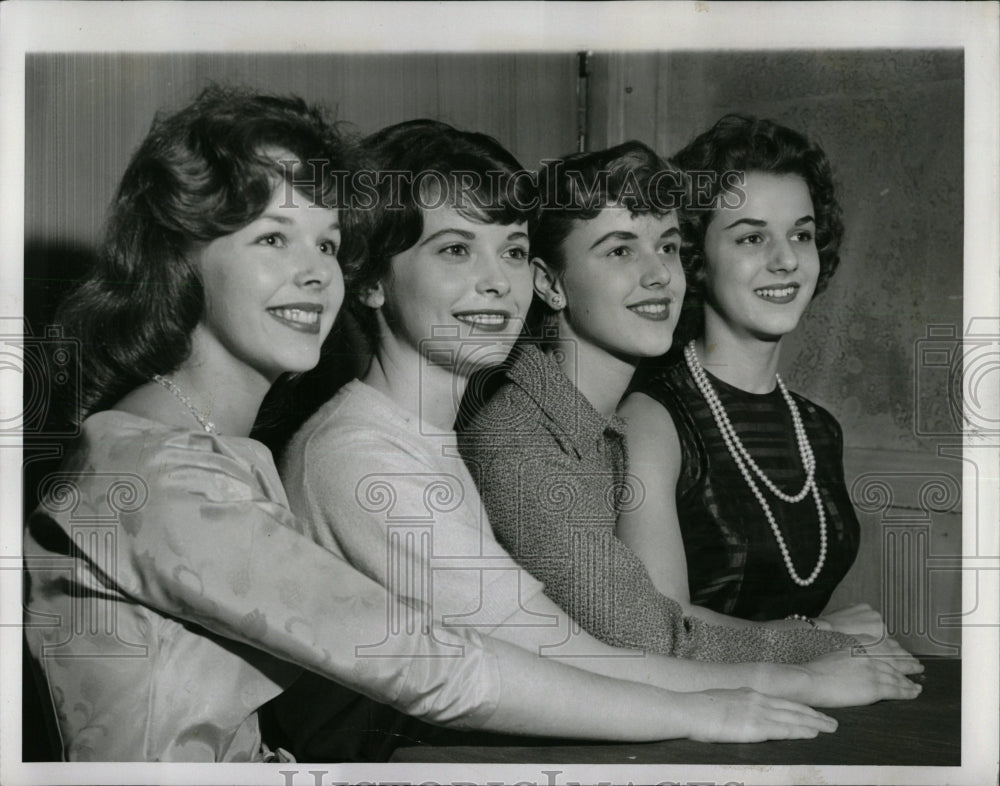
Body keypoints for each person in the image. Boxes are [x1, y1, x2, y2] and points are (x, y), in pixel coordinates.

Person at [22, 89, 841, 764]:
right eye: (274, 237)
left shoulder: (211, 447)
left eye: (328, 241)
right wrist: (733, 702)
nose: (315, 272)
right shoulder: (161, 470)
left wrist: (759, 684)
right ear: (180, 258)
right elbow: (434, 666)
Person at [275, 122, 920, 759]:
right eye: (454, 250)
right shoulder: (381, 451)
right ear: (370, 280)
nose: (498, 281)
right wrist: (798, 670)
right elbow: (570, 645)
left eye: (513, 250)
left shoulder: (472, 433)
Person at [459, 141, 917, 660]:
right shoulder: (520, 438)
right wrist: (821, 639)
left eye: (669, 247)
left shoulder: (598, 420)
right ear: (549, 283)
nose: (660, 275)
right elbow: (650, 635)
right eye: (620, 250)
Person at [618, 115, 874, 633]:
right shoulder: (652, 421)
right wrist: (821, 639)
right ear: (695, 258)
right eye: (751, 239)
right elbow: (659, 631)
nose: (786, 260)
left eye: (800, 235)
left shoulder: (818, 429)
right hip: (695, 708)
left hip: (801, 704)